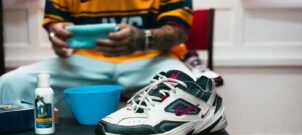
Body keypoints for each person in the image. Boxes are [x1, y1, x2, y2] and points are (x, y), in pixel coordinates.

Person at [0, 0, 193, 113]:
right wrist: (56, 35)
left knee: (193, 91)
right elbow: (55, 23)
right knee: (10, 83)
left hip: (151, 59)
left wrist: (143, 38)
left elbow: (179, 31)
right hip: (84, 61)